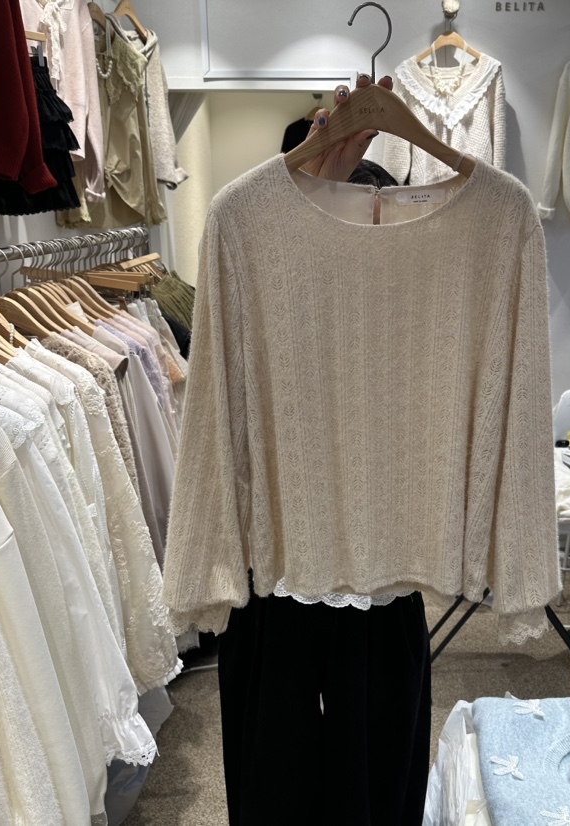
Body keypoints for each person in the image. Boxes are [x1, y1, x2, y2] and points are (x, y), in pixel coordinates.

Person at [216, 72, 433, 826]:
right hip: (274, 575)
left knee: (376, 791)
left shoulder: (414, 256)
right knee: (275, 787)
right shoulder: (245, 241)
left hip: (383, 580)